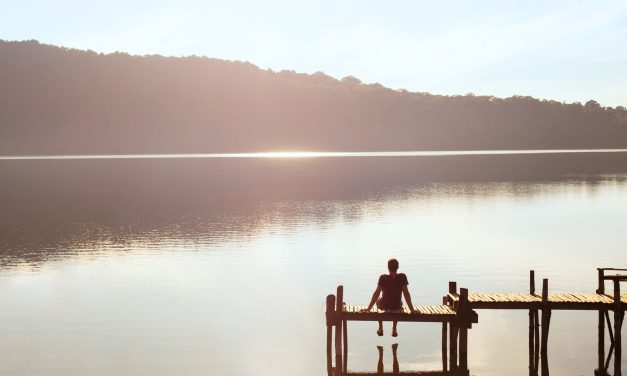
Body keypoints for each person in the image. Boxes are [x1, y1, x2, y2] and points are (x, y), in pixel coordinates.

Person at [361, 258, 417, 337]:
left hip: (384, 305)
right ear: (398, 267)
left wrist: (368, 309)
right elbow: (406, 294)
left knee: (378, 300)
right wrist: (412, 310)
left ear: (388, 268)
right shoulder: (402, 277)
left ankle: (380, 327)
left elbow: (376, 293)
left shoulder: (383, 278)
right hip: (396, 305)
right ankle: (394, 329)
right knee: (399, 303)